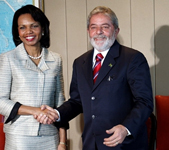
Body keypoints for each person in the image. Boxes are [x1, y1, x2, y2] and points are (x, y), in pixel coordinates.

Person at [38, 6, 154, 150]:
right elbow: (77, 101)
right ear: (88, 31)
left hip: (123, 144)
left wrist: (126, 128)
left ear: (116, 30)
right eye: (94, 27)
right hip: (91, 144)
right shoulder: (80, 62)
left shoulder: (132, 59)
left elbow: (145, 102)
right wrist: (56, 113)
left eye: (105, 27)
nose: (99, 32)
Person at [0, 4, 67, 150]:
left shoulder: (56, 59)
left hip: (51, 136)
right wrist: (34, 110)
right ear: (17, 32)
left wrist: (62, 142)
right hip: (19, 137)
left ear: (43, 29)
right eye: (22, 27)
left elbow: (60, 105)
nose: (28, 31)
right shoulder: (8, 58)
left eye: (34, 26)